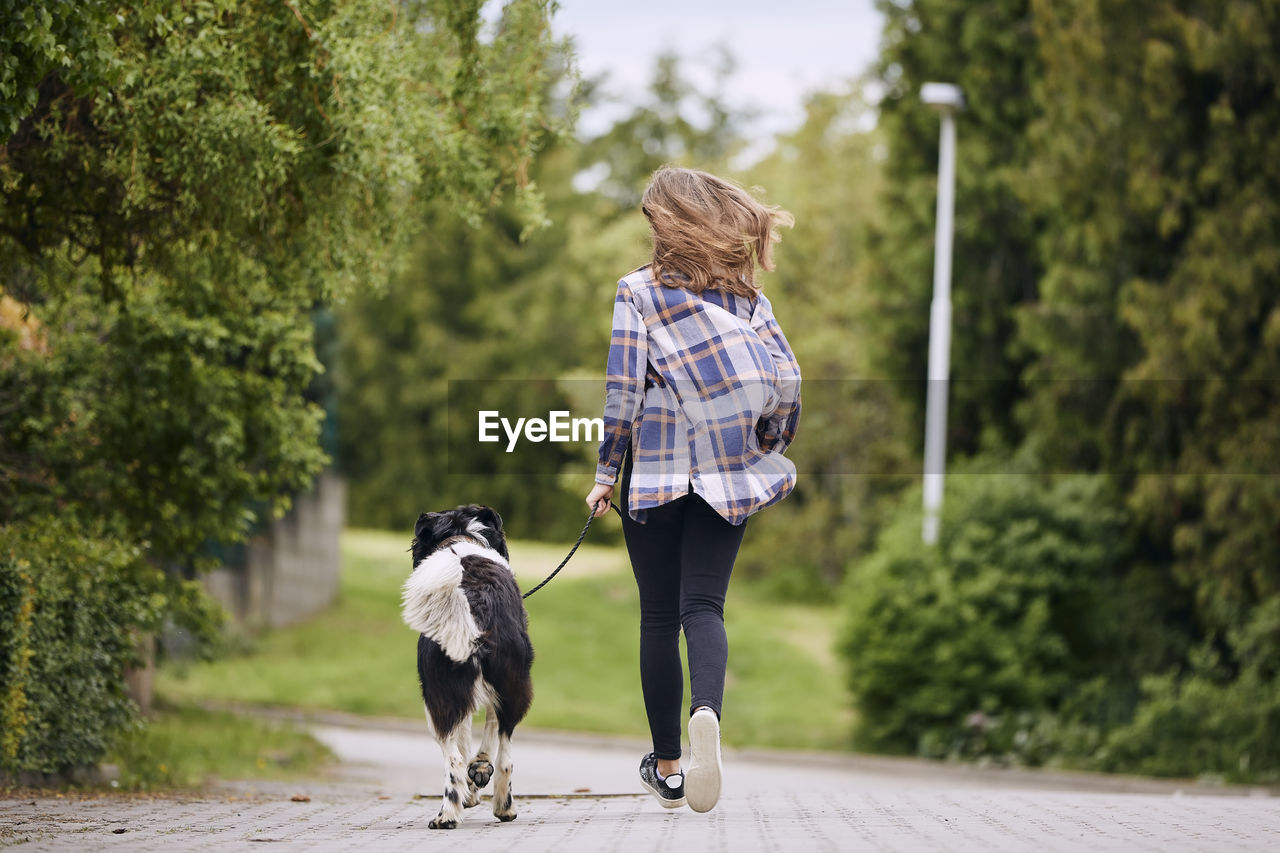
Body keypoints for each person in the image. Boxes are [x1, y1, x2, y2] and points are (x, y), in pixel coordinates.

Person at [585, 166, 801, 813]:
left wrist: (604, 473)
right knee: (703, 606)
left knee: (657, 615)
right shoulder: (748, 302)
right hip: (727, 474)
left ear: (669, 223)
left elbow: (623, 391)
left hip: (653, 475)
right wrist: (766, 443)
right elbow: (786, 384)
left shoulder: (638, 293)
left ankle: (671, 765)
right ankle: (706, 711)